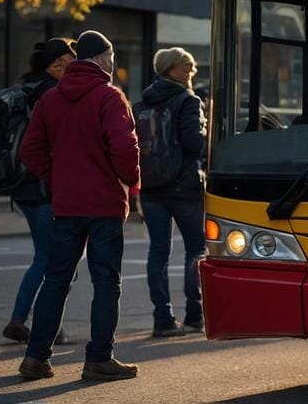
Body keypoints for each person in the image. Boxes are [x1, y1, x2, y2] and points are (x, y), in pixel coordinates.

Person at [17, 30, 141, 382]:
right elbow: (125, 148)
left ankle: (35, 356)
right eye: (112, 58)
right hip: (103, 205)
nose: (114, 65)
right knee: (106, 283)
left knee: (56, 280)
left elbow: (30, 150)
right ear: (102, 59)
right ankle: (99, 358)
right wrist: (126, 180)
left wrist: (57, 179)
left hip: (66, 205)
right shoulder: (109, 96)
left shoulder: (51, 99)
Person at [2, 39, 77, 346]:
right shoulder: (52, 94)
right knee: (53, 260)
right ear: (56, 65)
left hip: (22, 188)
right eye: (71, 63)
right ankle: (40, 323)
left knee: (43, 257)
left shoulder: (25, 89)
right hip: (44, 189)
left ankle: (24, 320)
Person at [136, 47, 207, 338]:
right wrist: (206, 128)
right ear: (169, 69)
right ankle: (194, 315)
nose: (191, 71)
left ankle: (162, 318)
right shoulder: (188, 100)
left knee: (158, 252)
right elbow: (194, 144)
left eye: (191, 66)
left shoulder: (142, 102)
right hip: (184, 187)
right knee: (196, 249)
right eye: (185, 66)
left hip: (151, 188)